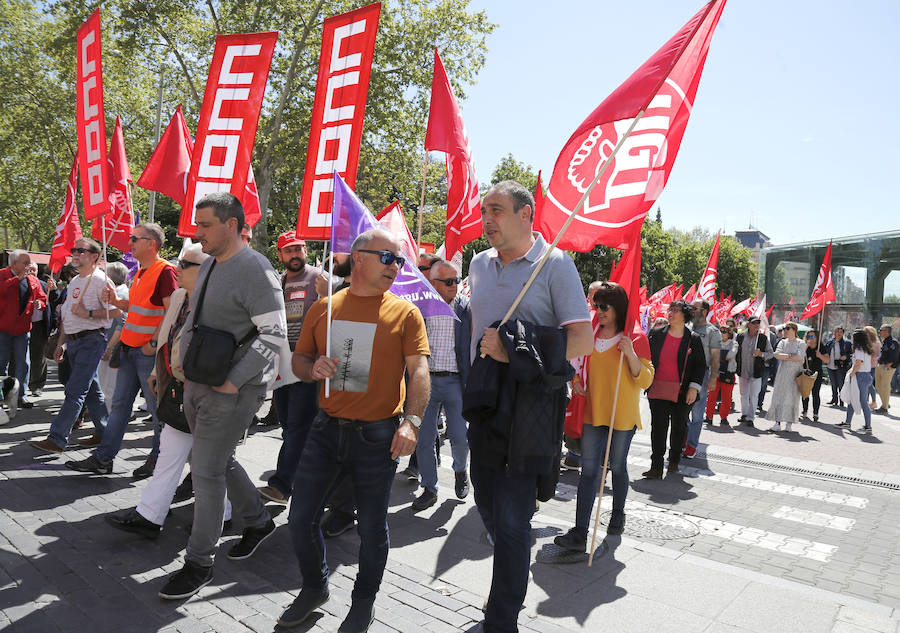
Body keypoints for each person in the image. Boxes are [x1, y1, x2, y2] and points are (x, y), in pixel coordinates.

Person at [279, 228, 430, 632]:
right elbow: (298, 362)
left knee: (373, 528)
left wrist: (412, 423)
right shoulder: (324, 308)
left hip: (378, 436)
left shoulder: (405, 312)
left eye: (399, 261)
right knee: (300, 519)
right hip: (326, 429)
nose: (396, 268)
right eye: (388, 258)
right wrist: (312, 368)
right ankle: (315, 587)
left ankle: (363, 602)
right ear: (359, 257)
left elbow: (419, 371)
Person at [467, 181, 592, 633]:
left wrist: (515, 351)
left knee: (514, 522)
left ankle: (501, 620)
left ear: (526, 215)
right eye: (485, 210)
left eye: (497, 210)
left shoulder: (554, 264)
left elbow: (583, 339)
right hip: (483, 406)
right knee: (487, 503)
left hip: (531, 411)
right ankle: (511, 573)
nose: (487, 218)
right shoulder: (478, 265)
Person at [156, 192, 284, 600]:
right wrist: (180, 366)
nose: (198, 233)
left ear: (232, 225)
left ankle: (199, 563)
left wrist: (233, 381)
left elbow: (274, 334)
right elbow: (195, 318)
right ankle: (259, 520)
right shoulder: (209, 262)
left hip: (233, 390)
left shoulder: (256, 268)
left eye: (206, 225)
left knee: (207, 472)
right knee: (217, 462)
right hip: (197, 382)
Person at [105, 242, 232, 537]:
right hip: (176, 387)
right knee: (170, 454)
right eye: (179, 262)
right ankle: (150, 516)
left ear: (206, 270)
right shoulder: (178, 296)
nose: (178, 268)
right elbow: (168, 335)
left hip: (208, 392)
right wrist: (154, 371)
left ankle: (226, 515)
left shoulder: (220, 302)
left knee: (211, 462)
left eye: (186, 264)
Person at [65, 224, 177, 478]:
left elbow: (173, 311)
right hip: (130, 349)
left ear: (152, 244)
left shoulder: (165, 271)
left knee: (157, 411)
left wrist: (153, 344)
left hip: (147, 353)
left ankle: (157, 461)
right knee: (119, 407)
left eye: (135, 238)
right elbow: (137, 307)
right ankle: (104, 458)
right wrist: (116, 302)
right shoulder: (139, 273)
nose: (130, 242)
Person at [554, 281, 653, 551]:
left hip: (621, 416)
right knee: (588, 473)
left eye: (605, 306)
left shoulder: (635, 337)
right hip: (592, 412)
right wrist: (576, 381)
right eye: (597, 305)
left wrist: (630, 353)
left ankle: (618, 512)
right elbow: (577, 365)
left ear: (618, 307)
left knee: (618, 467)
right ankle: (580, 531)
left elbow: (646, 379)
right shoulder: (591, 333)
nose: (599, 310)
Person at [28, 239, 118, 454]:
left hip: (92, 340)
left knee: (75, 390)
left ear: (94, 256)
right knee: (91, 389)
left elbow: (116, 312)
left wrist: (87, 313)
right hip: (75, 341)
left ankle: (57, 438)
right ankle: (104, 430)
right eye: (74, 250)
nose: (74, 253)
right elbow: (68, 315)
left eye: (81, 250)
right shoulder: (77, 280)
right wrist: (61, 343)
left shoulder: (101, 281)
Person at [253, 231, 322, 506]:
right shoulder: (278, 281)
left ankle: (282, 486)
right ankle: (305, 475)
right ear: (280, 255)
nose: (295, 254)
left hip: (307, 365)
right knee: (288, 425)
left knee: (298, 427)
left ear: (306, 250)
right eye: (288, 250)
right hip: (281, 364)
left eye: (299, 249)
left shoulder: (322, 278)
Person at [412, 259, 472, 511]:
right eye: (448, 282)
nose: (454, 286)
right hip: (427, 383)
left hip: (456, 382)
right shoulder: (420, 308)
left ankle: (460, 471)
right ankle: (429, 488)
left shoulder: (466, 308)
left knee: (459, 436)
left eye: (456, 280)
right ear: (432, 283)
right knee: (424, 439)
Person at [644, 301, 705, 478]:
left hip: (682, 392)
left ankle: (674, 460)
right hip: (658, 390)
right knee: (658, 427)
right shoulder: (656, 334)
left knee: (679, 427)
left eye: (675, 310)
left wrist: (693, 388)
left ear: (685, 315)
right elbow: (646, 357)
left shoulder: (693, 339)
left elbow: (700, 366)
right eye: (670, 309)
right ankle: (656, 466)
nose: (670, 313)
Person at [1, 250, 47, 409]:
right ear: (14, 264)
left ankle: (21, 396)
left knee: (23, 363)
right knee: (1, 364)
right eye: (25, 263)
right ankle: (1, 396)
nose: (28, 266)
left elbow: (42, 297)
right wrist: (16, 280)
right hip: (3, 328)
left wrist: (40, 304)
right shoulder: (2, 275)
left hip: (23, 329)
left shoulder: (32, 280)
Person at [684, 299, 721, 458]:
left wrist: (713, 378)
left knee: (697, 414)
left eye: (694, 308)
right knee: (682, 411)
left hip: (702, 375)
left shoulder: (713, 332)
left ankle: (691, 446)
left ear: (704, 312)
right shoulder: (686, 327)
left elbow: (715, 358)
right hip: (684, 374)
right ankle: (681, 442)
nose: (691, 310)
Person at [96, 261, 130, 407]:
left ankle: (111, 420)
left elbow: (122, 325)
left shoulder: (120, 294)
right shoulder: (119, 292)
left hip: (114, 350)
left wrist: (109, 348)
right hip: (110, 348)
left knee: (110, 388)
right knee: (105, 385)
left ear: (109, 276)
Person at [735, 317, 773, 427]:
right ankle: (744, 414)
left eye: (758, 323)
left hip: (756, 372)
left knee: (754, 395)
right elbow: (735, 350)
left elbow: (771, 353)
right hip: (742, 370)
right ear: (749, 324)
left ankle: (751, 418)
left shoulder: (763, 338)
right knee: (743, 394)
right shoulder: (740, 336)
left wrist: (761, 354)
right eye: (754, 323)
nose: (756, 325)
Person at [767, 322, 804, 433]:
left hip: (795, 374)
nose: (785, 330)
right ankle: (777, 423)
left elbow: (800, 357)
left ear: (794, 329)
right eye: (784, 328)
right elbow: (776, 354)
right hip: (783, 373)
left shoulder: (801, 343)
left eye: (787, 328)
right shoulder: (782, 342)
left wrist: (786, 356)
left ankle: (789, 424)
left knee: (792, 398)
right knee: (779, 396)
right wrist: (790, 356)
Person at [27, 265, 57, 397]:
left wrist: (54, 290)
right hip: (22, 325)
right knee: (20, 356)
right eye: (29, 269)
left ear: (37, 271)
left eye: (33, 269)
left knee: (39, 357)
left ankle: (37, 385)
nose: (31, 272)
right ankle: (18, 384)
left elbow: (55, 302)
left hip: (39, 325)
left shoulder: (45, 285)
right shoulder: (18, 284)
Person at [838, 329, 874, 434]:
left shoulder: (859, 349)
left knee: (862, 401)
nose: (852, 339)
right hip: (866, 375)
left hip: (860, 376)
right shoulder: (866, 348)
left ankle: (868, 426)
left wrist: (852, 374)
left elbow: (858, 363)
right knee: (853, 399)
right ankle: (848, 422)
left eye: (853, 337)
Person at [704, 325, 737, 426]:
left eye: (724, 331)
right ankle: (709, 416)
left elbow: (730, 355)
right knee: (711, 396)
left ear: (729, 333)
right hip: (715, 373)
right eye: (720, 331)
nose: (722, 333)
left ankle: (724, 417)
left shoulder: (734, 343)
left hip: (728, 373)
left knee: (726, 398)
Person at [801, 329, 827, 422]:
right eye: (809, 336)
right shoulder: (804, 346)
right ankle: (804, 410)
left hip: (817, 373)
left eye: (812, 336)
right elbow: (799, 356)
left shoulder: (821, 347)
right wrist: (806, 346)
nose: (810, 338)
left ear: (817, 337)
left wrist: (820, 356)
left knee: (815, 393)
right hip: (806, 372)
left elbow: (827, 360)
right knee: (805, 392)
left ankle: (815, 413)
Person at [823, 326, 851, 406]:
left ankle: (841, 400)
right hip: (830, 365)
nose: (839, 333)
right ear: (834, 332)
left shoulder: (847, 343)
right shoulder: (830, 342)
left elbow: (851, 354)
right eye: (837, 331)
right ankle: (834, 399)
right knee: (833, 383)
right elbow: (824, 350)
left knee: (840, 383)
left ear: (843, 333)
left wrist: (846, 356)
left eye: (841, 332)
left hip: (841, 366)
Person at [874, 325, 898, 413]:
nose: (879, 331)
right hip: (880, 365)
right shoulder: (884, 341)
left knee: (885, 386)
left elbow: (895, 355)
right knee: (878, 386)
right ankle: (885, 403)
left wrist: (888, 365)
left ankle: (884, 408)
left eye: (881, 330)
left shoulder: (893, 342)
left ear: (886, 331)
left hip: (888, 367)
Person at [864, 326, 881, 409]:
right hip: (864, 366)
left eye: (866, 332)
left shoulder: (876, 342)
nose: (865, 333)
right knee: (865, 384)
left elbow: (879, 355)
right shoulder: (864, 342)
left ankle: (874, 402)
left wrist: (873, 356)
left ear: (870, 333)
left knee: (869, 384)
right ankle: (865, 401)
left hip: (872, 366)